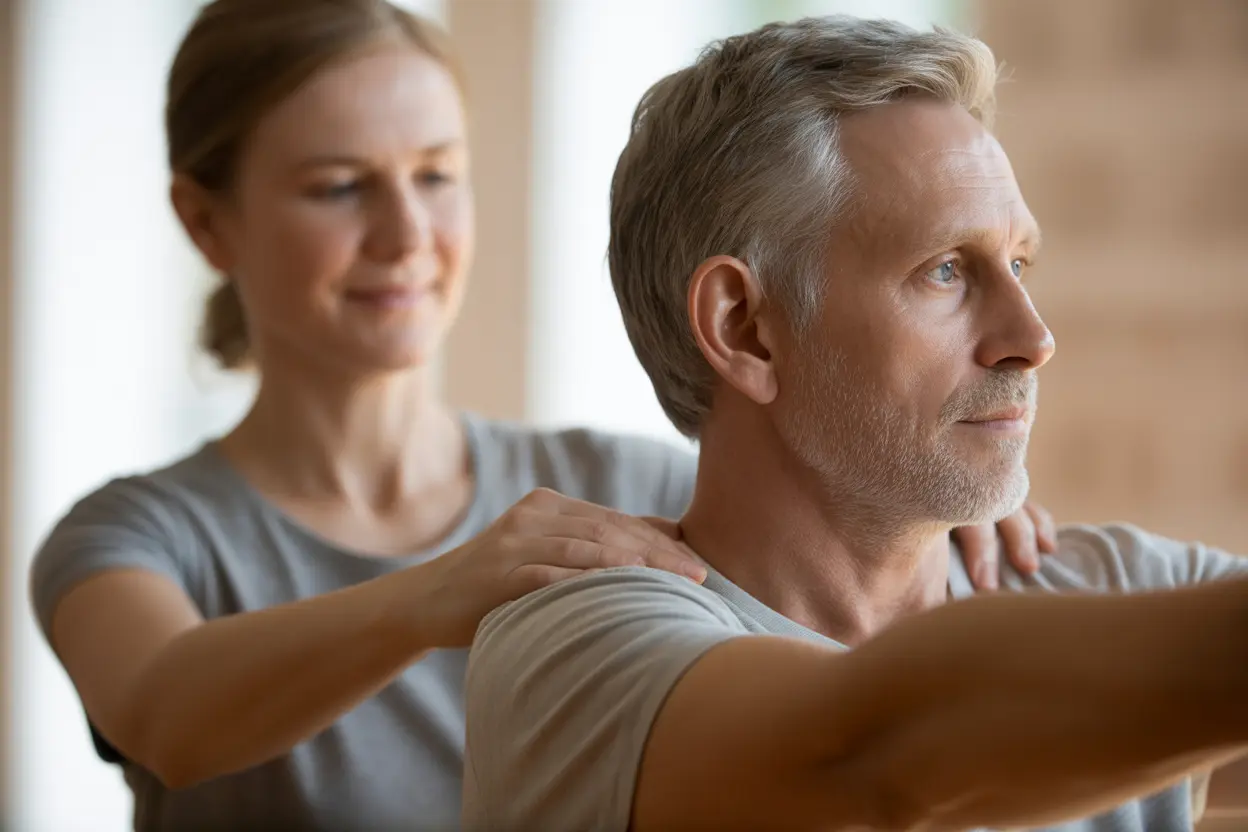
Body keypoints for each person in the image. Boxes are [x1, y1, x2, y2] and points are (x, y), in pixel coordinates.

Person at [26, 3, 1050, 831]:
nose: (407, 233)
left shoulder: (629, 490)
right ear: (207, 221)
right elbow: (164, 707)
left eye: (436, 175)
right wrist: (428, 597)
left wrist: (927, 501)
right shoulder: (130, 535)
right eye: (341, 187)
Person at [461, 15, 1248, 832]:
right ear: (744, 329)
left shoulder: (1116, 589)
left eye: (1018, 265)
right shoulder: (574, 650)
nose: (1034, 339)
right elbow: (881, 758)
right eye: (946, 270)